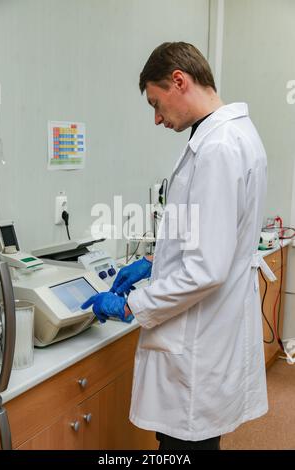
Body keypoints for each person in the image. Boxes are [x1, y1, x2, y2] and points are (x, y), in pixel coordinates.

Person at [82, 42, 268, 450]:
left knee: (184, 448)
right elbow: (206, 233)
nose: (156, 118)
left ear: (179, 81)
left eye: (156, 102)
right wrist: (151, 261)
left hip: (197, 347)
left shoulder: (217, 148)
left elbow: (206, 269)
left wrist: (133, 305)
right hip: (211, 333)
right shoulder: (229, 134)